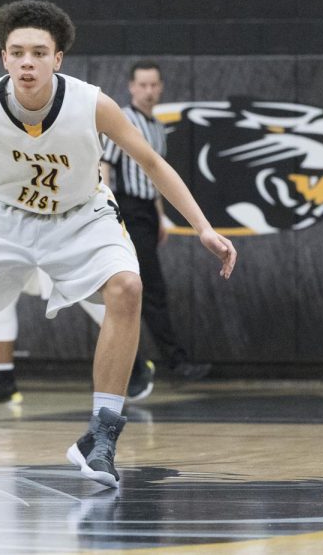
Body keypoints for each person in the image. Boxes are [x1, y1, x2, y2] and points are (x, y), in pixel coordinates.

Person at [0, 0, 236, 488]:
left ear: (58, 58)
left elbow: (152, 163)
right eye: (17, 52)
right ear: (4, 57)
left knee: (127, 289)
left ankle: (101, 435)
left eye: (39, 52)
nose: (27, 62)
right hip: (4, 214)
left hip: (81, 214)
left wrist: (202, 225)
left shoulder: (91, 103)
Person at [101, 61, 212, 402]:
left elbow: (153, 174)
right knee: (146, 287)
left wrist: (161, 215)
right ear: (131, 87)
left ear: (160, 88)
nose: (149, 91)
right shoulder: (121, 118)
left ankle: (151, 361)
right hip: (126, 208)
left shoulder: (157, 127)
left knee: (147, 287)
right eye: (142, 85)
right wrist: (108, 212)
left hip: (147, 209)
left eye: (154, 85)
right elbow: (106, 164)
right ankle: (171, 361)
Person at [0, 271, 106, 406]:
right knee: (1, 297)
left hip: (56, 252)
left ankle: (123, 378)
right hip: (22, 252)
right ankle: (4, 380)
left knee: (90, 295)